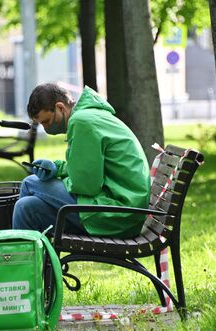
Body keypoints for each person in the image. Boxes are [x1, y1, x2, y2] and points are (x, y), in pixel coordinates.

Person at [12, 83, 150, 238]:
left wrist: (62, 180)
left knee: (30, 182)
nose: (46, 128)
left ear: (60, 108)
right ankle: (37, 261)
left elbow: (86, 185)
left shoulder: (82, 121)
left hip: (119, 212)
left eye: (47, 121)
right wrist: (57, 169)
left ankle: (17, 255)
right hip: (121, 210)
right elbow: (87, 168)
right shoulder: (89, 116)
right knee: (25, 207)